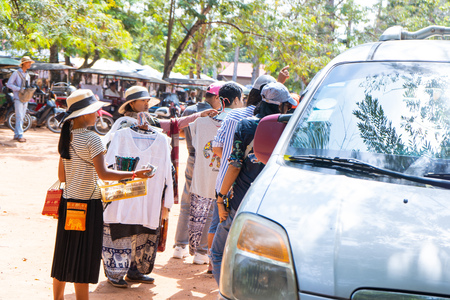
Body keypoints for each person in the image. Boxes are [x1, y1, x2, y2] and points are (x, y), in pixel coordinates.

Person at [51, 89, 154, 300]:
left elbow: (62, 176)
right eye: (94, 111)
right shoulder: (92, 139)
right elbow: (104, 174)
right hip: (88, 207)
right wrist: (135, 174)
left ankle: (58, 298)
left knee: (64, 251)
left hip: (69, 204)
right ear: (82, 115)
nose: (98, 114)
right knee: (84, 257)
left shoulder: (67, 137)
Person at [210, 81, 297, 285]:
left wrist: (221, 198)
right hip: (274, 207)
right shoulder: (291, 130)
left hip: (242, 202)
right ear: (281, 106)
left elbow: (234, 165)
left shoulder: (247, 125)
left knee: (218, 253)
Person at [186, 82, 244, 265]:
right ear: (236, 99)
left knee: (213, 219)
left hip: (215, 176)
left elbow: (214, 148)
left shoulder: (208, 119)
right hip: (233, 177)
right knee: (224, 218)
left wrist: (223, 154)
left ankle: (210, 261)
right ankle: (220, 260)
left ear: (220, 99)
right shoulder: (240, 119)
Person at [172, 81, 224, 262]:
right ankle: (201, 251)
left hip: (192, 158)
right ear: (217, 98)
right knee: (209, 203)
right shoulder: (213, 115)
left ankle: (180, 245)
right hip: (208, 161)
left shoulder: (189, 111)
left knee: (187, 202)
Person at [6, 56, 35, 142]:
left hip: (25, 98)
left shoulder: (28, 75)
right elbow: (9, 84)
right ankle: (20, 135)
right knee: (19, 116)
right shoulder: (16, 73)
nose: (30, 64)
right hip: (18, 97)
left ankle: (16, 134)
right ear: (23, 64)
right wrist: (19, 89)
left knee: (22, 116)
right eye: (28, 62)